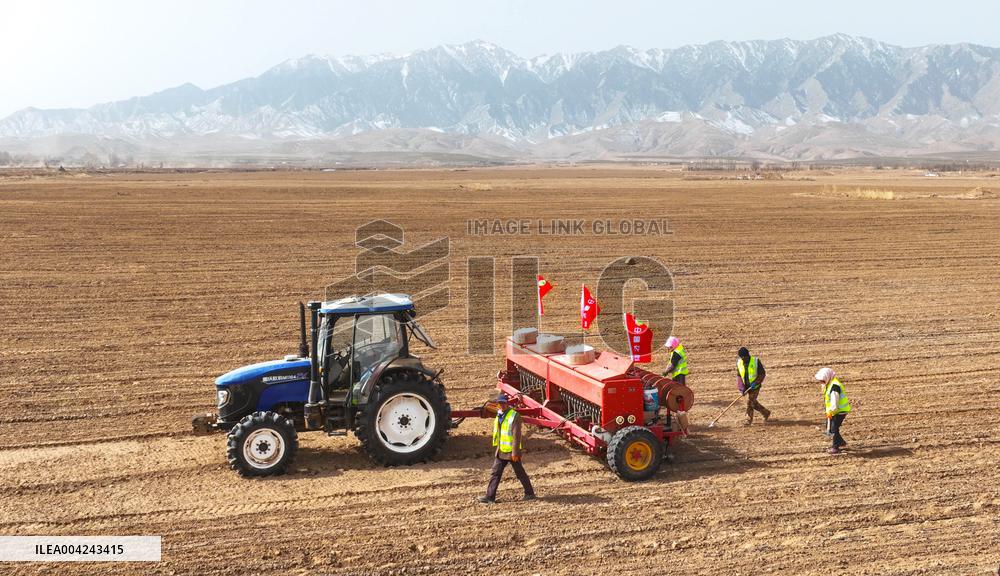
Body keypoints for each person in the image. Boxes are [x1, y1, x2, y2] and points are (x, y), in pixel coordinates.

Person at [478, 392, 536, 503]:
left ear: (507, 404)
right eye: (500, 403)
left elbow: (516, 436)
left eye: (504, 403)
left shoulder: (514, 416)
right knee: (495, 473)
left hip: (511, 452)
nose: (502, 405)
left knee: (520, 473)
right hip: (501, 451)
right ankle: (490, 497)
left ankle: (530, 493)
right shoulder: (499, 413)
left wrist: (515, 453)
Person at [814, 367, 852, 454]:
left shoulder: (834, 386)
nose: (821, 383)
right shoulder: (830, 383)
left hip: (839, 411)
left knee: (833, 428)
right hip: (835, 410)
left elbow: (835, 401)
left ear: (827, 377)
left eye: (822, 381)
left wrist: (831, 412)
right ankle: (841, 442)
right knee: (831, 426)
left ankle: (835, 447)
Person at [737, 347, 771, 425]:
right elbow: (739, 376)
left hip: (755, 386)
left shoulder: (755, 361)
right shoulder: (739, 362)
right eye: (741, 357)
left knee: (750, 402)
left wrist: (756, 382)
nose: (742, 359)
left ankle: (748, 419)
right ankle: (766, 412)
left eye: (744, 357)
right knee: (754, 403)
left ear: (747, 356)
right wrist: (741, 388)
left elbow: (762, 374)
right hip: (746, 386)